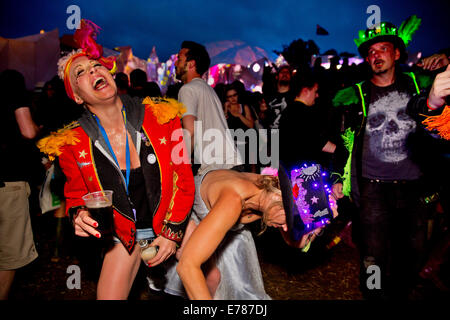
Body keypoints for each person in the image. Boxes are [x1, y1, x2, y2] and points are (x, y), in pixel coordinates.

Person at [37, 20, 195, 300]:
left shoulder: (163, 116)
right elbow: (75, 195)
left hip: (170, 217)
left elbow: (183, 178)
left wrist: (172, 232)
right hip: (125, 231)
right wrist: (80, 214)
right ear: (76, 96)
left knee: (211, 277)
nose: (94, 70)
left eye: (96, 65)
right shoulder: (72, 144)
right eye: (81, 73)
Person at [331, 15, 431, 299]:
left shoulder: (418, 84)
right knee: (373, 253)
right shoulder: (358, 94)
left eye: (383, 49)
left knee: (413, 250)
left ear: (397, 53)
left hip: (414, 187)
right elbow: (345, 141)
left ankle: (399, 292)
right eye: (370, 52)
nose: (376, 56)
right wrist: (338, 177)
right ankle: (373, 296)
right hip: (373, 187)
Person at [175, 166, 338, 300]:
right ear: (278, 196)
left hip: (218, 226)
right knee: (211, 278)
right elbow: (187, 266)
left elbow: (295, 243)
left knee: (218, 283)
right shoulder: (234, 200)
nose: (286, 228)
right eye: (288, 221)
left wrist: (317, 226)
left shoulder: (272, 193)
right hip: (183, 213)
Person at [0, 69, 39, 299]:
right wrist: (37, 129)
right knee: (8, 255)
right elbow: (27, 131)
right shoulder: (14, 91)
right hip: (8, 182)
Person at [279, 75, 342, 169]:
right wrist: (341, 151)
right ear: (305, 91)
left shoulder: (289, 111)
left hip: (290, 168)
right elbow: (318, 141)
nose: (317, 95)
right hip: (304, 170)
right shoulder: (304, 112)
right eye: (315, 91)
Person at [224, 83, 255, 172]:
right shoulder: (225, 109)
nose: (233, 98)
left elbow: (251, 125)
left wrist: (239, 115)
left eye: (234, 95)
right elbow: (223, 126)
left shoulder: (244, 107)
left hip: (246, 144)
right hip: (233, 146)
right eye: (230, 96)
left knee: (249, 171)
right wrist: (226, 109)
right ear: (227, 98)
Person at [264, 65, 295, 129]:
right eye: (282, 72)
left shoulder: (295, 97)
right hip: (272, 134)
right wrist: (262, 112)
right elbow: (263, 121)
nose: (285, 74)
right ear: (277, 77)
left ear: (291, 77)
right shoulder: (269, 96)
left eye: (287, 72)